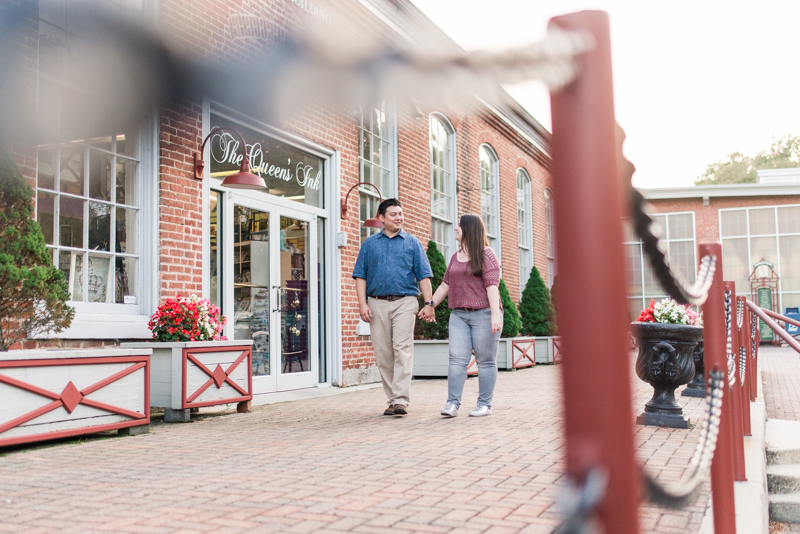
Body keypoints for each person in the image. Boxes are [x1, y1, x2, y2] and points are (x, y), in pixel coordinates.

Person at [353, 198, 434, 416]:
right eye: (393, 214)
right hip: (377, 302)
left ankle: (400, 400)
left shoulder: (412, 243)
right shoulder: (370, 244)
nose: (399, 217)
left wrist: (429, 303)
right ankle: (392, 399)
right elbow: (360, 276)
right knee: (383, 353)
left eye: (400, 213)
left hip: (405, 301)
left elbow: (424, 276)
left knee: (402, 349)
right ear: (381, 218)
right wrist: (362, 304)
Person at [419, 214, 502, 417]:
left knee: (485, 360)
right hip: (459, 315)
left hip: (483, 313)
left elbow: (492, 287)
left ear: (469, 230)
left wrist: (494, 315)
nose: (455, 228)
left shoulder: (486, 254)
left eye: (459, 225)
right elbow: (445, 285)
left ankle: (484, 405)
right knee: (456, 359)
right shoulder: (456, 256)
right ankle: (452, 404)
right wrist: (430, 304)